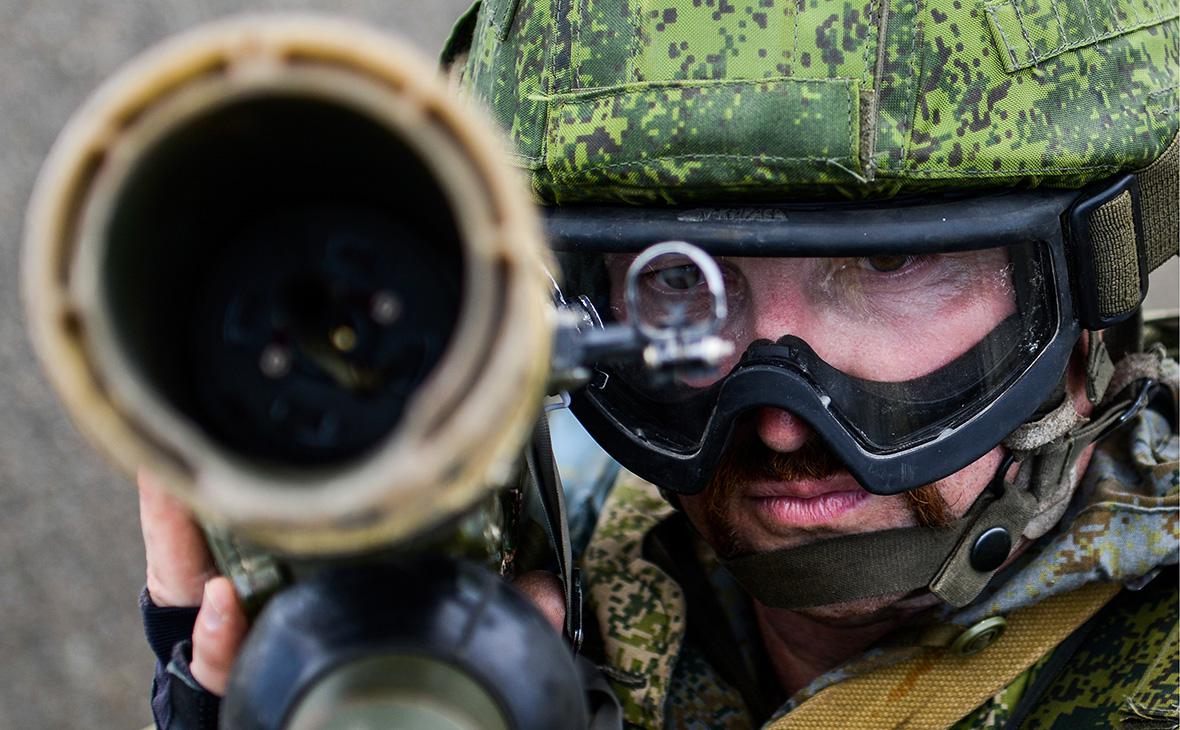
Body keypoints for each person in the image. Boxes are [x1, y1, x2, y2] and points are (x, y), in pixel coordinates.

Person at [140, 1, 1179, 728]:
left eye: (889, 260)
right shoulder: (562, 547)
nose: (777, 417)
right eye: (672, 282)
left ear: (1091, 283)